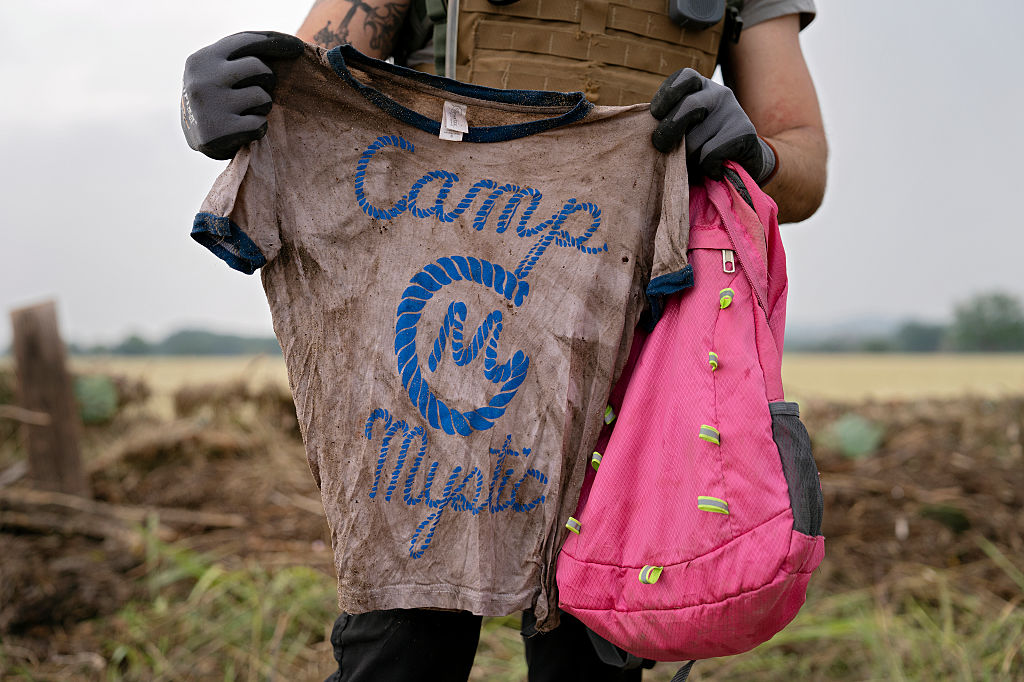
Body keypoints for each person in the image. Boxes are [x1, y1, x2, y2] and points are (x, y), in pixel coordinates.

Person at [180, 2, 827, 679]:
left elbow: (805, 163)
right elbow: (305, 82)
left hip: (631, 350)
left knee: (592, 654)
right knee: (404, 651)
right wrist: (233, 100)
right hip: (441, 333)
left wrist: (759, 153)